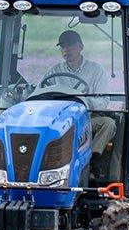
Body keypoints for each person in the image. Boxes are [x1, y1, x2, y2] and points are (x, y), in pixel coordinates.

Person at [42, 30, 117, 165]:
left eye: (70, 46)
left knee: (108, 123)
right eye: (63, 47)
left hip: (87, 119)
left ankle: (90, 160)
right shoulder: (54, 71)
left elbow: (104, 101)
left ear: (81, 47)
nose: (66, 50)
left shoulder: (96, 70)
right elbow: (40, 92)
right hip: (59, 121)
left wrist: (82, 101)